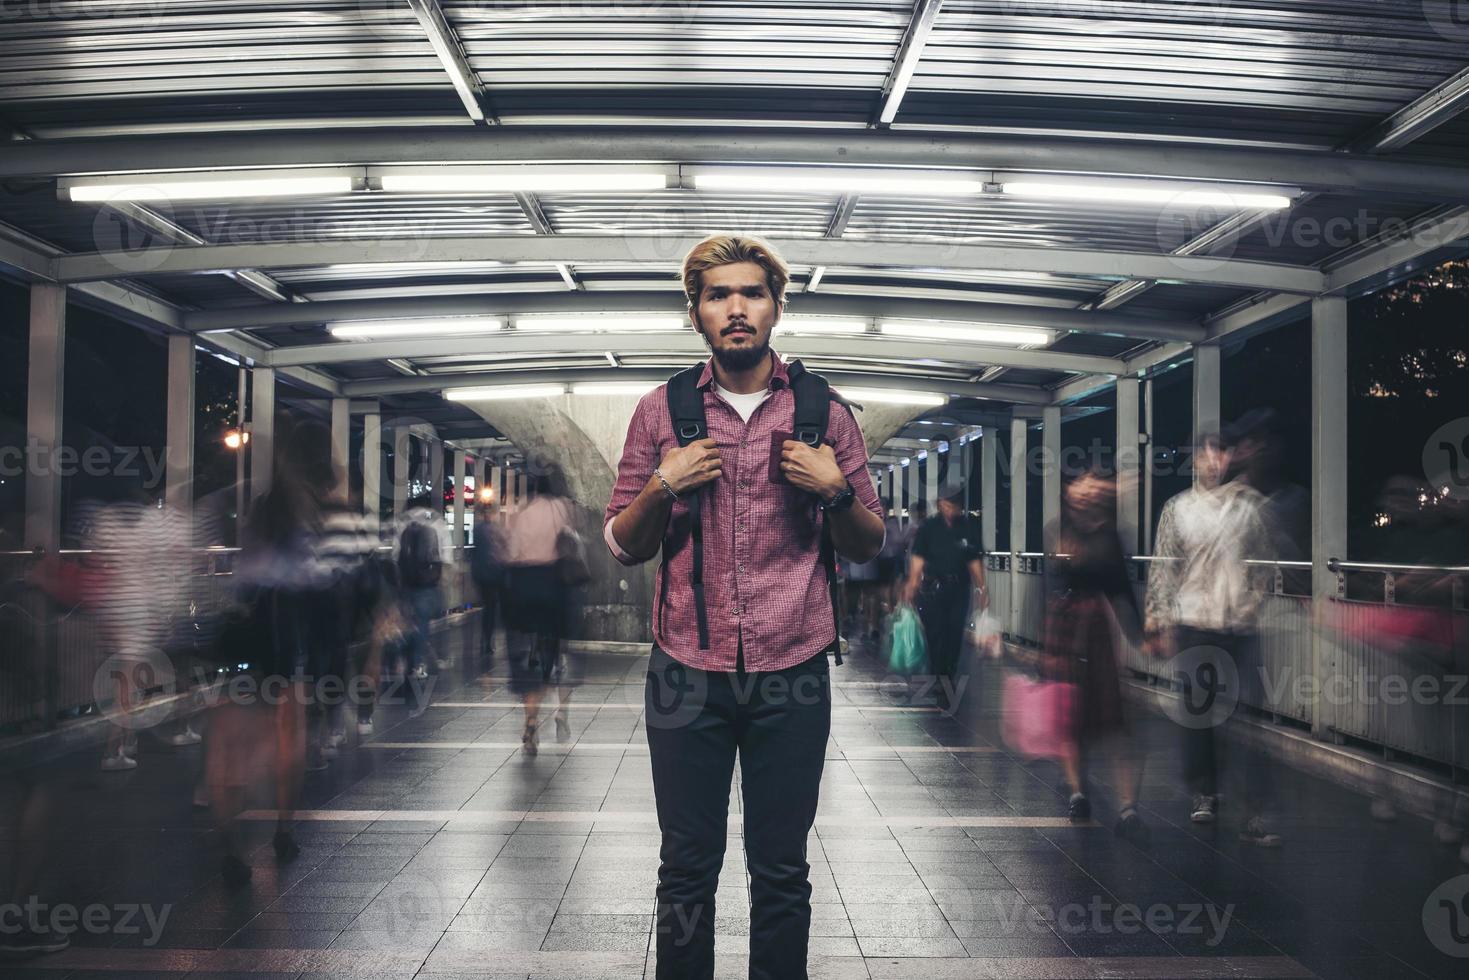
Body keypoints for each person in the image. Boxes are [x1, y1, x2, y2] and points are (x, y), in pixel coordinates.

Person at [604, 234, 884, 980]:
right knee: (686, 869)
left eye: (752, 293)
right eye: (718, 295)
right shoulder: (659, 410)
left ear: (775, 306)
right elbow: (623, 544)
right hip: (684, 672)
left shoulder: (825, 411)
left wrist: (834, 489)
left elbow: (865, 544)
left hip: (792, 667)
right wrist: (662, 485)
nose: (736, 308)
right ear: (695, 312)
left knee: (782, 869)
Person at [1145, 430, 1279, 845]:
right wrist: (1158, 618)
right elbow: (1165, 566)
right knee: (1199, 712)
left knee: (1251, 713)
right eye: (1204, 454)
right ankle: (1205, 791)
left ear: (1228, 457)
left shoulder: (1249, 507)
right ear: (1195, 461)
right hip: (1194, 620)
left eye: (1218, 453)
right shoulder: (1178, 509)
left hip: (1239, 623)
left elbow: (1264, 560)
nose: (1211, 461)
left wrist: (1253, 601)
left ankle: (1255, 809)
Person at [1042, 470, 1146, 837]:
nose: (1083, 491)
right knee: (1069, 717)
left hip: (1095, 630)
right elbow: (1048, 583)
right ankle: (1077, 792)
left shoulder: (1108, 534)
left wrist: (1140, 634)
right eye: (1077, 484)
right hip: (1065, 630)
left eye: (1090, 485)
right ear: (1068, 492)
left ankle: (1127, 806)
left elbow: (1120, 589)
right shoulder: (1058, 529)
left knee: (1112, 718)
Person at [501, 468, 576, 753]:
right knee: (558, 656)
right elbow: (572, 543)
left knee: (528, 662)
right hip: (553, 586)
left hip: (523, 588)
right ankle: (560, 712)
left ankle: (530, 723)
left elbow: (511, 553)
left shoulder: (521, 512)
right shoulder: (562, 508)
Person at [901, 488, 986, 710]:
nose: (950, 510)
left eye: (954, 506)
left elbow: (974, 559)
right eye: (946, 505)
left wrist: (982, 588)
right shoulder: (929, 527)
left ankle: (949, 670)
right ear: (940, 504)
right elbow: (918, 556)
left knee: (955, 629)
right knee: (935, 630)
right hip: (932, 587)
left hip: (959, 587)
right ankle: (937, 671)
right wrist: (912, 583)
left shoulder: (967, 526)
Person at [395, 494, 450, 680]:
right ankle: (417, 662)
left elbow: (394, 554)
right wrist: (444, 577)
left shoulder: (402, 521)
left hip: (405, 580)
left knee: (405, 622)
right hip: (427, 581)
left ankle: (404, 658)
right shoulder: (436, 521)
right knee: (422, 622)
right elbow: (445, 554)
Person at [470, 499, 506, 679]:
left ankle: (486, 639)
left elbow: (474, 551)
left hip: (480, 574)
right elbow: (503, 549)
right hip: (494, 573)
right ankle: (488, 640)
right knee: (492, 607)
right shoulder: (497, 530)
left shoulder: (476, 529)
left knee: (488, 607)